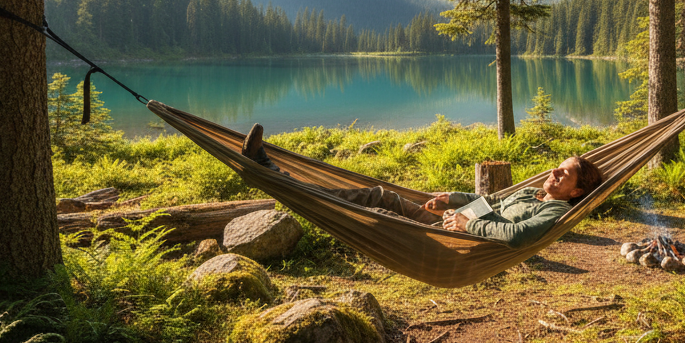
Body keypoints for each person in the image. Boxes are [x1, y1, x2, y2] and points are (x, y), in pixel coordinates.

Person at [241, 123, 605, 248]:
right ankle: (277, 175)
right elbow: (489, 199)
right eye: (556, 168)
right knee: (379, 194)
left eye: (563, 174)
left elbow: (520, 237)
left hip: (460, 241)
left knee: (379, 211)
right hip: (454, 223)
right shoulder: (531, 192)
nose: (553, 174)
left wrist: (467, 224)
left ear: (576, 192)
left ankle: (270, 170)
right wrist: (451, 200)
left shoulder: (556, 208)